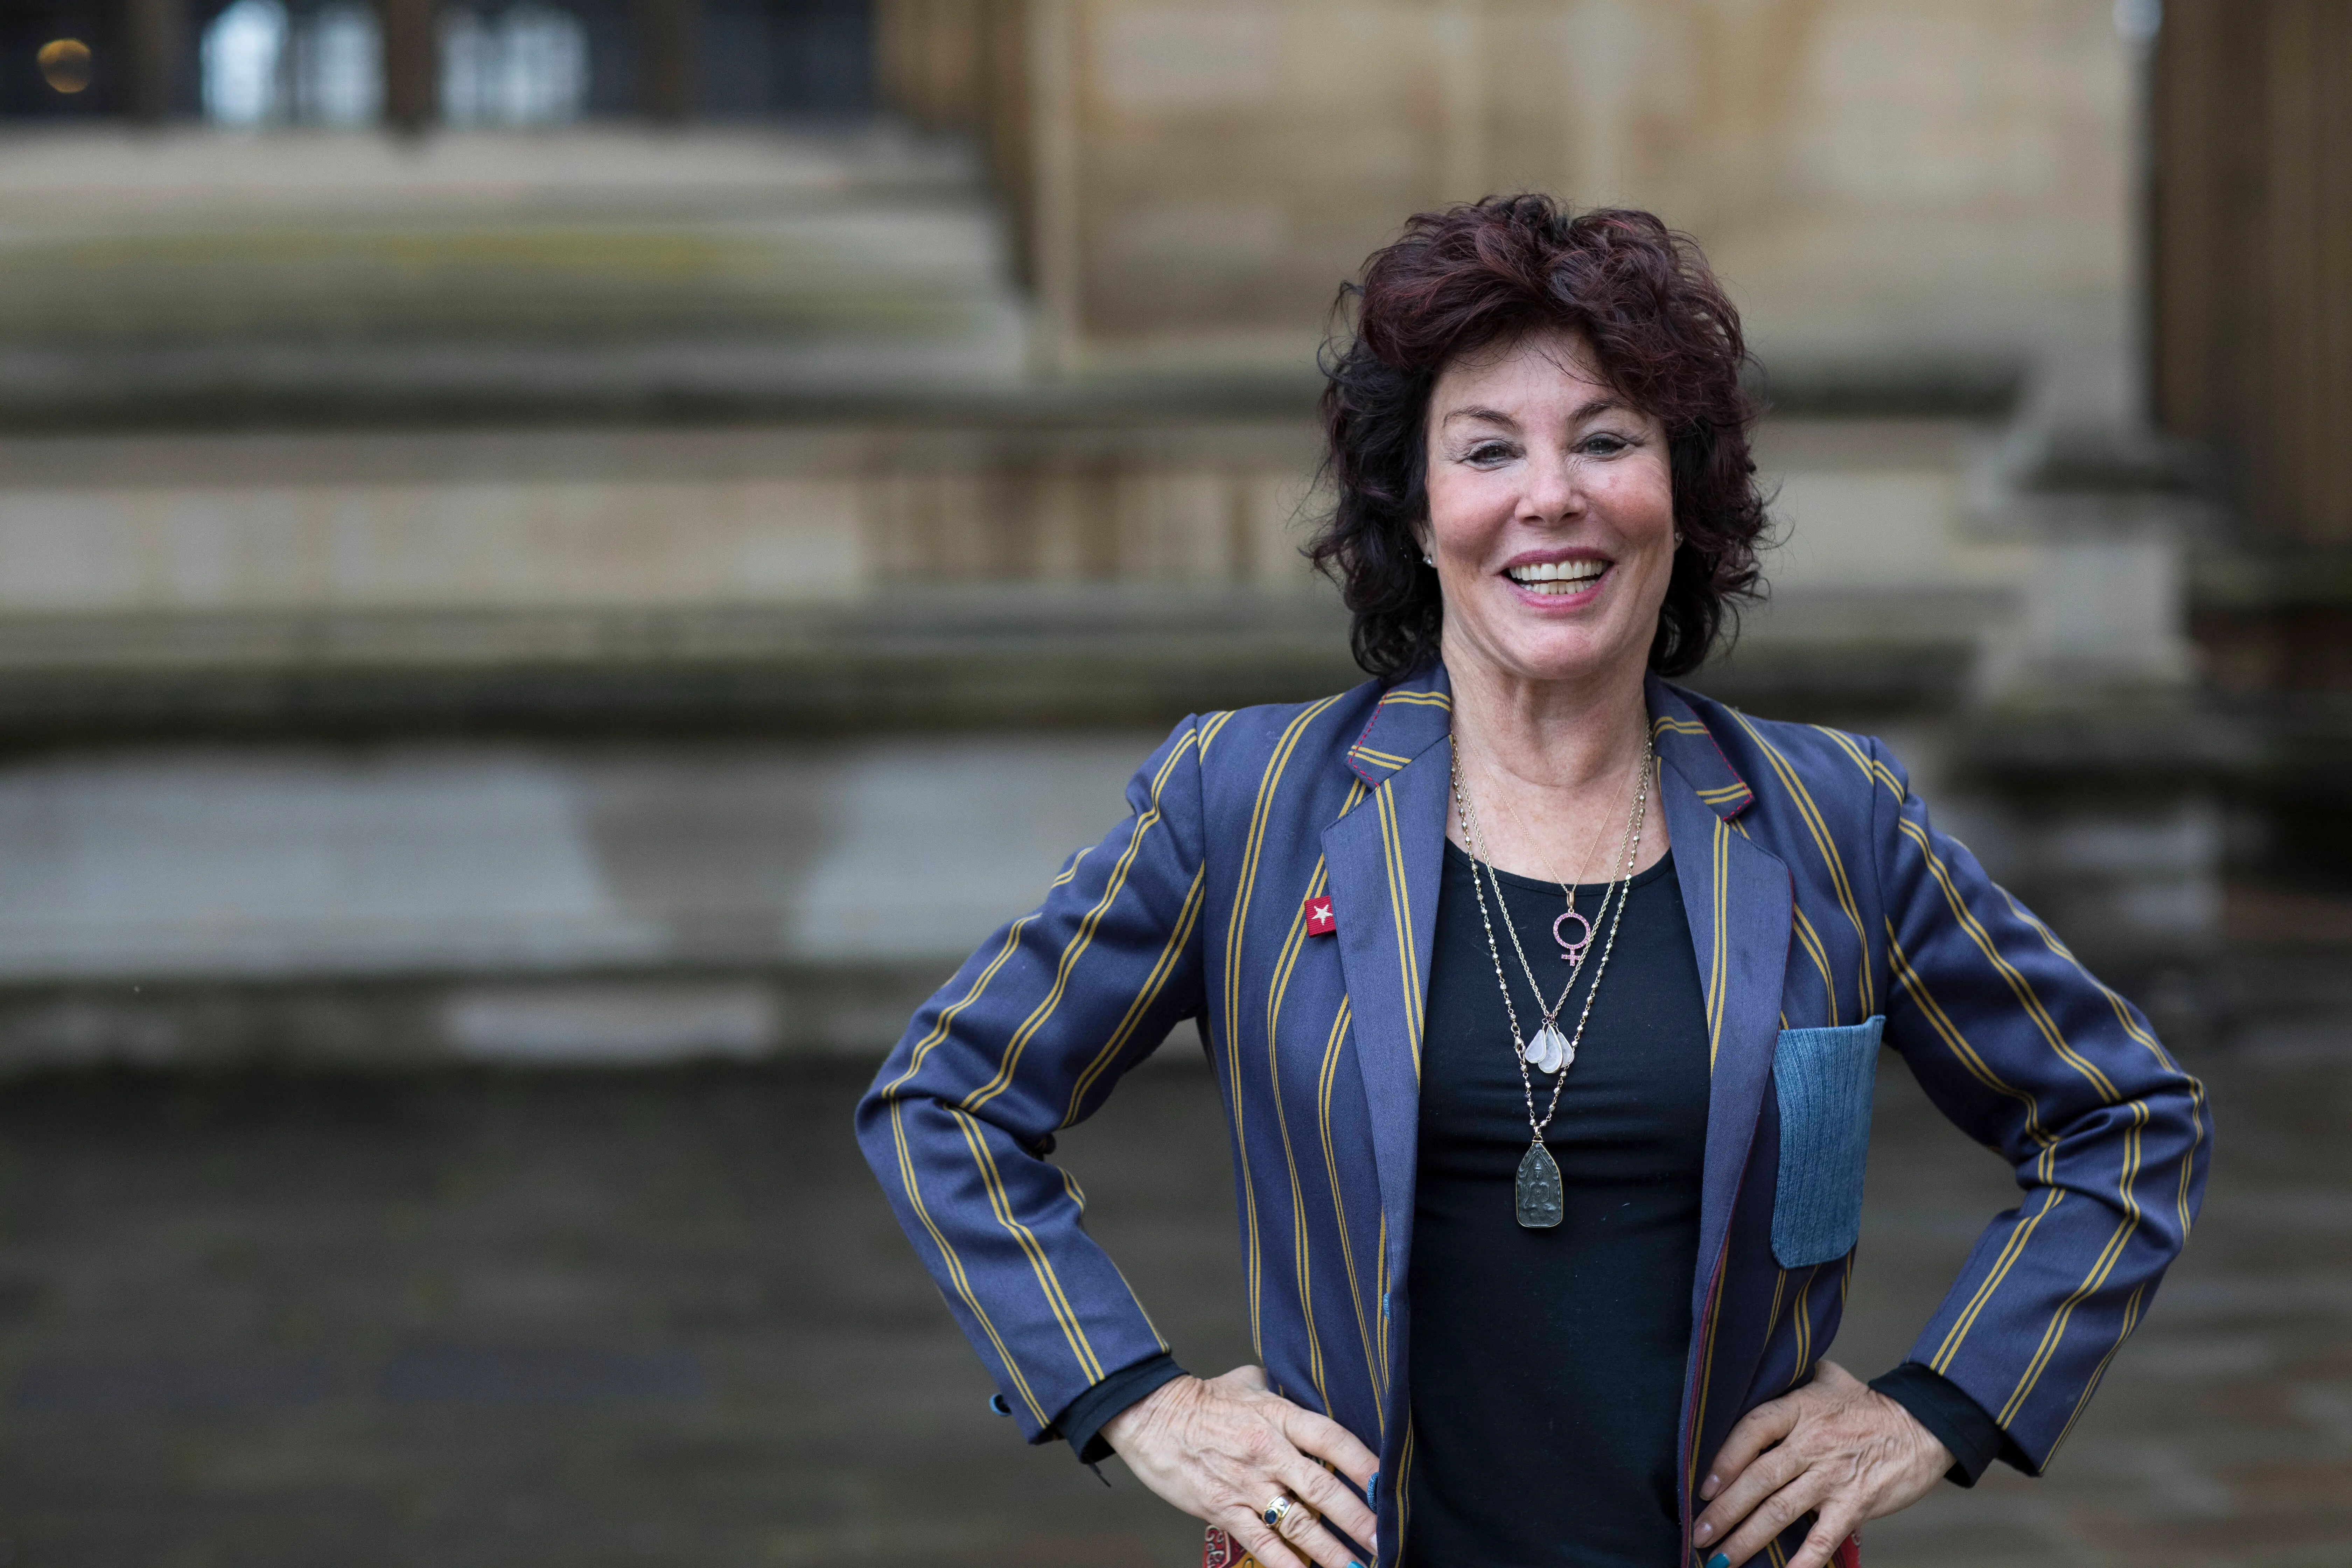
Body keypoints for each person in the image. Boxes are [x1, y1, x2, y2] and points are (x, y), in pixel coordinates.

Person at [853, 196, 2210, 1568]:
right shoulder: (1248, 800)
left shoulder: (1832, 818)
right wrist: (1132, 1399)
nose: (1549, 494)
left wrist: (1941, 1406)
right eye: (1487, 448)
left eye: (1606, 439)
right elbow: (949, 1098)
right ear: (1419, 506)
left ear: (1682, 492)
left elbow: (2125, 1121)